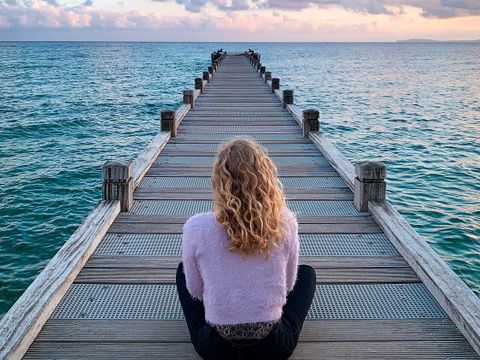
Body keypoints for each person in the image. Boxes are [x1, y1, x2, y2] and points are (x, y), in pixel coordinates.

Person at [176, 137, 316, 360]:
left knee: (183, 270)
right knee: (307, 275)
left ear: (219, 181)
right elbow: (288, 286)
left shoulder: (196, 226)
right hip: (273, 348)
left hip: (215, 348)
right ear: (266, 178)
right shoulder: (285, 221)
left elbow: (195, 291)